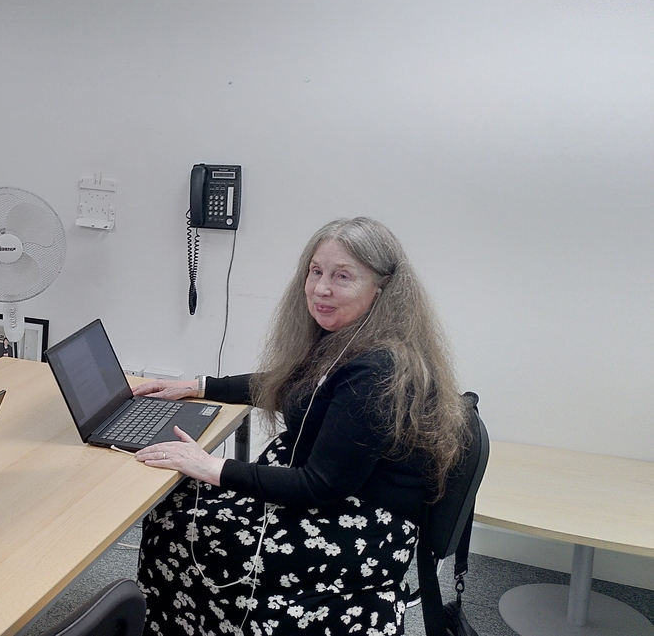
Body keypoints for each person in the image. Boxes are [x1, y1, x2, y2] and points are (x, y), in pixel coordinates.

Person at [132, 217, 469, 635]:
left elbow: (319, 485)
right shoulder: (351, 336)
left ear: (381, 288)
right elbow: (288, 383)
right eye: (316, 271)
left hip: (358, 525)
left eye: (342, 276)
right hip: (335, 497)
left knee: (177, 527)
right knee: (175, 507)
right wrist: (198, 385)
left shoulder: (378, 370)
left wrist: (211, 468)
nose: (321, 288)